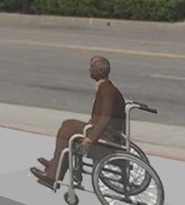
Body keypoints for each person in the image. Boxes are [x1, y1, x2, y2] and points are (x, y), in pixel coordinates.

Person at [31, 55, 124, 190]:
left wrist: (90, 139)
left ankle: (52, 174)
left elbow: (105, 117)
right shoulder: (106, 87)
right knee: (68, 127)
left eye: (92, 68)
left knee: (67, 127)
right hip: (104, 131)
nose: (89, 70)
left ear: (99, 71)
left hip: (105, 136)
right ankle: (54, 165)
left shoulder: (106, 89)